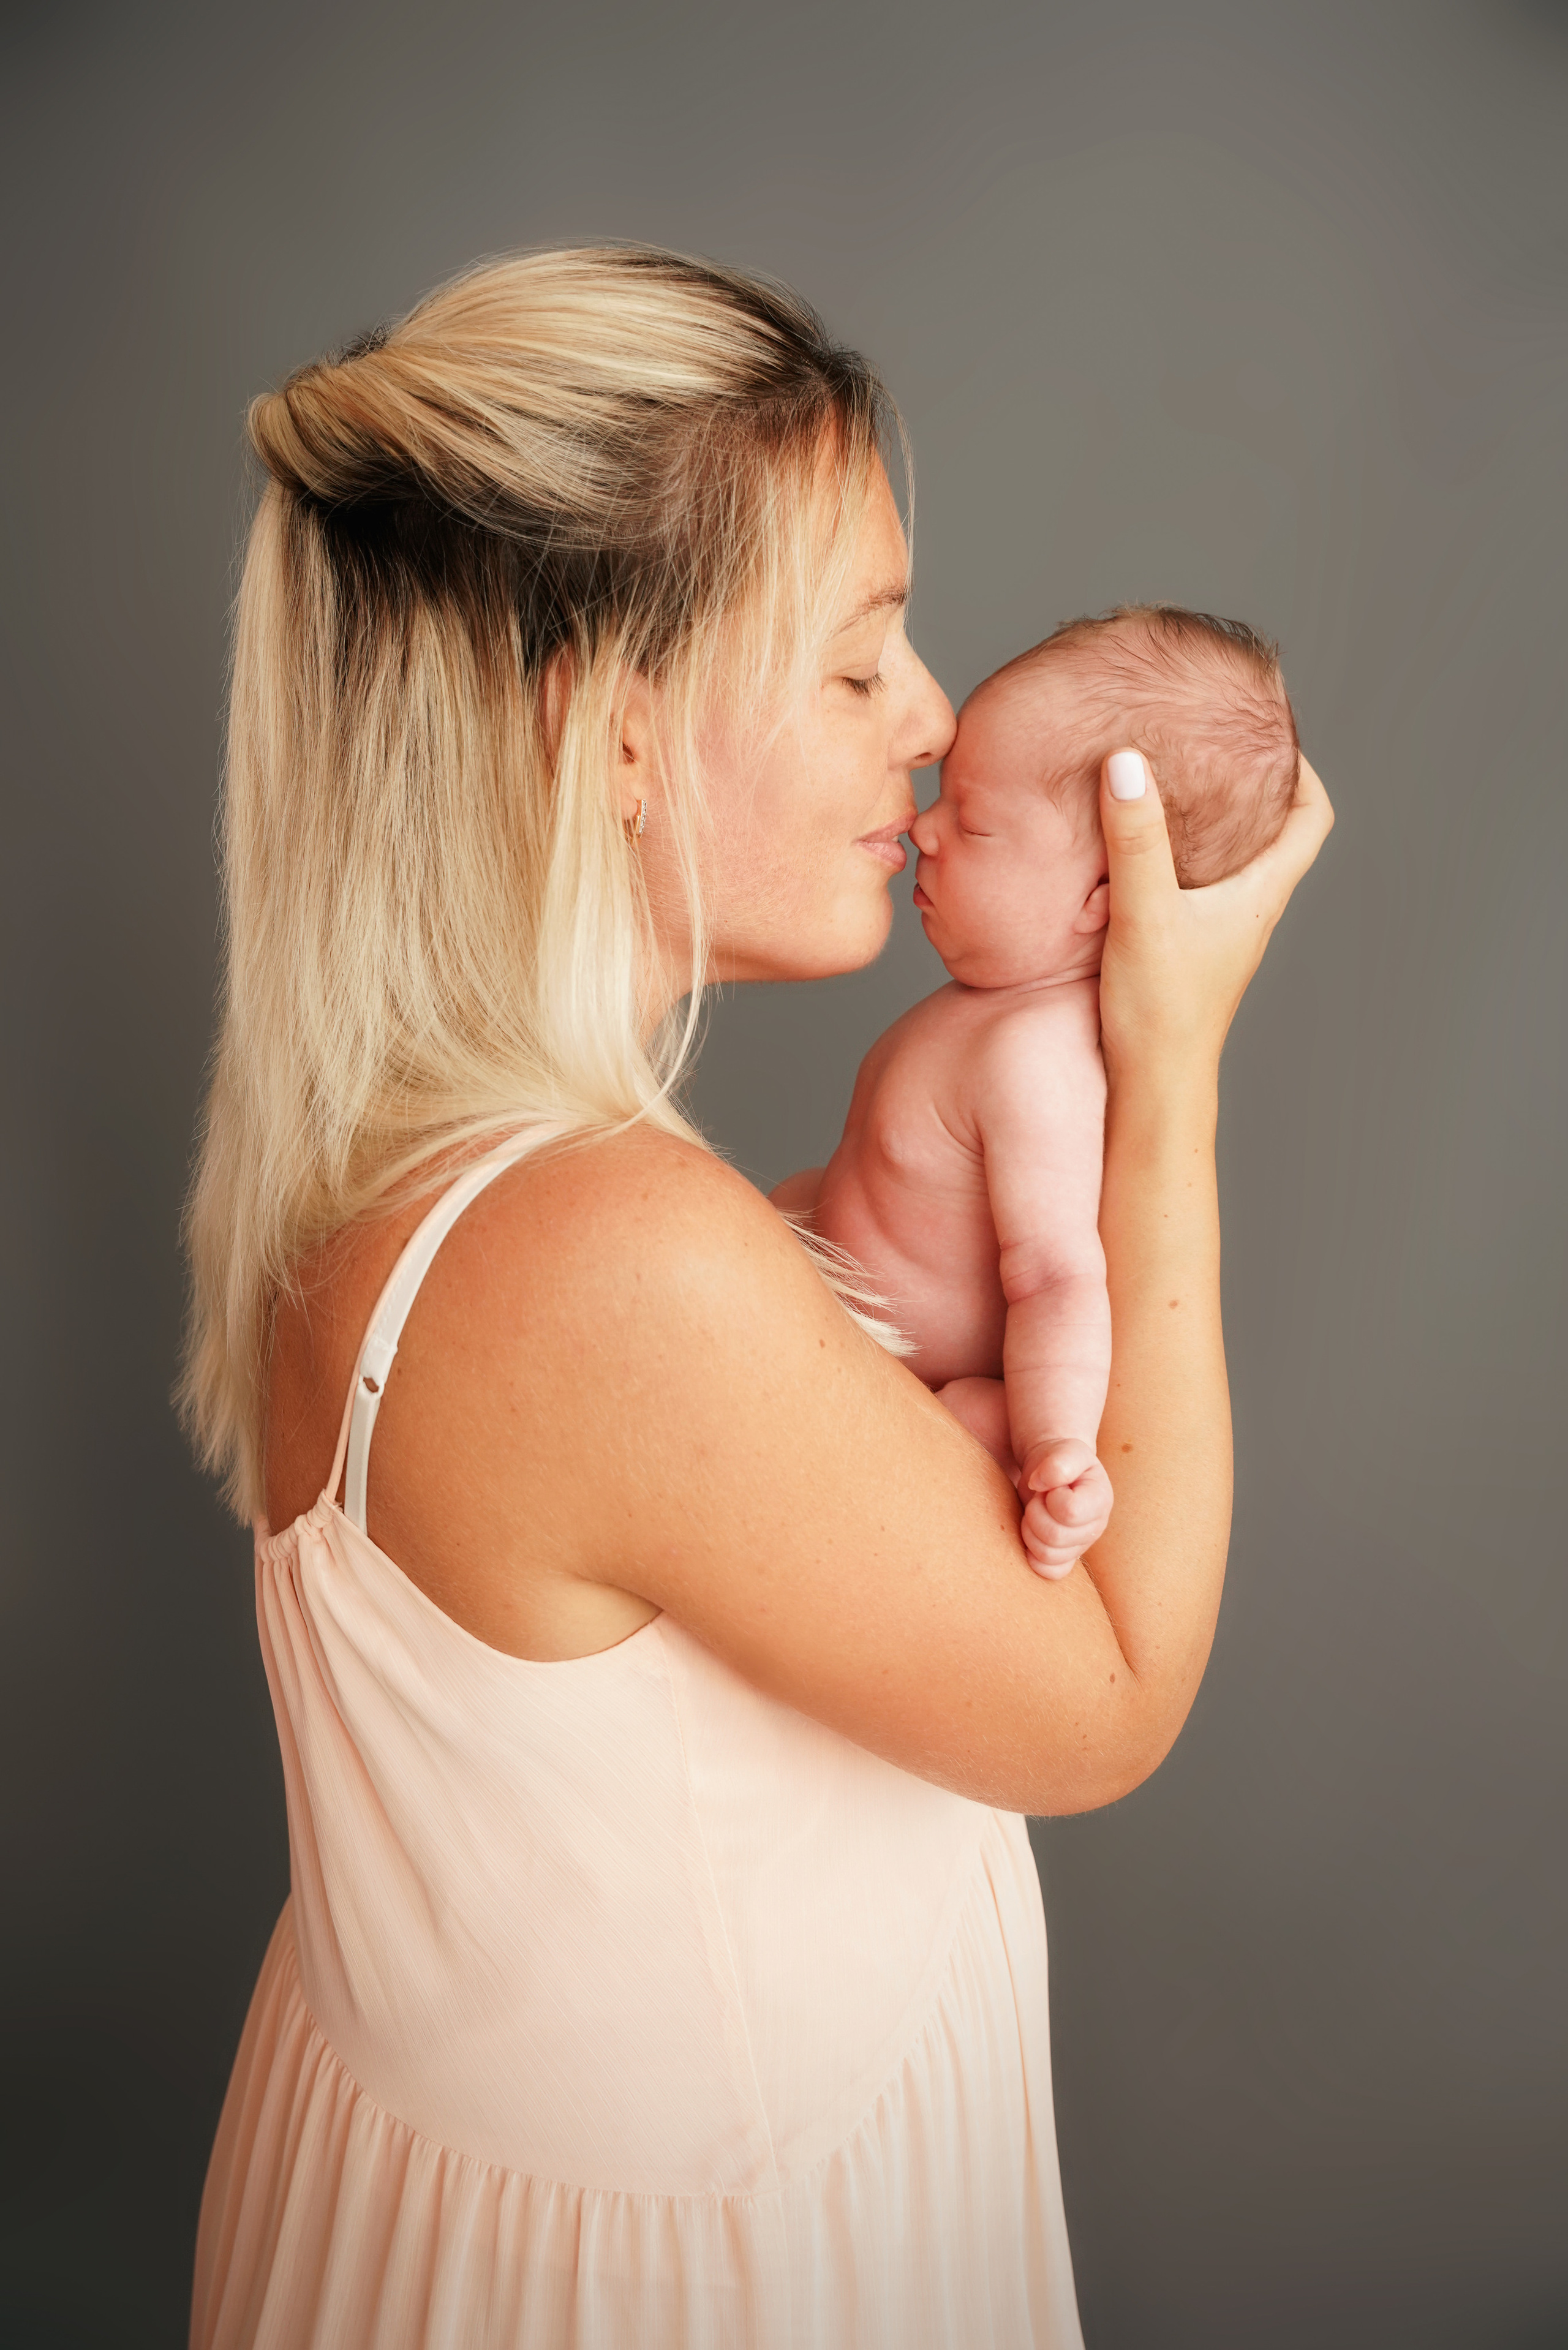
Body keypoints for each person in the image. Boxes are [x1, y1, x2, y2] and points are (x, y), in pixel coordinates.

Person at [179, 246, 1332, 2350]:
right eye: (857, 658)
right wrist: (1164, 1076)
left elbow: (787, 1385)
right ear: (613, 736)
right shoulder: (619, 1258)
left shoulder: (418, 1153)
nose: (936, 714)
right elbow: (1106, 1693)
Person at [795, 606, 1300, 1575]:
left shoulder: (1042, 1056)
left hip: (919, 1381)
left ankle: (1018, 1444)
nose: (926, 828)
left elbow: (1056, 1273)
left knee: (969, 1423)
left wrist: (1058, 1440)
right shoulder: (984, 1010)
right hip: (842, 1318)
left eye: (973, 821)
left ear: (1104, 895)